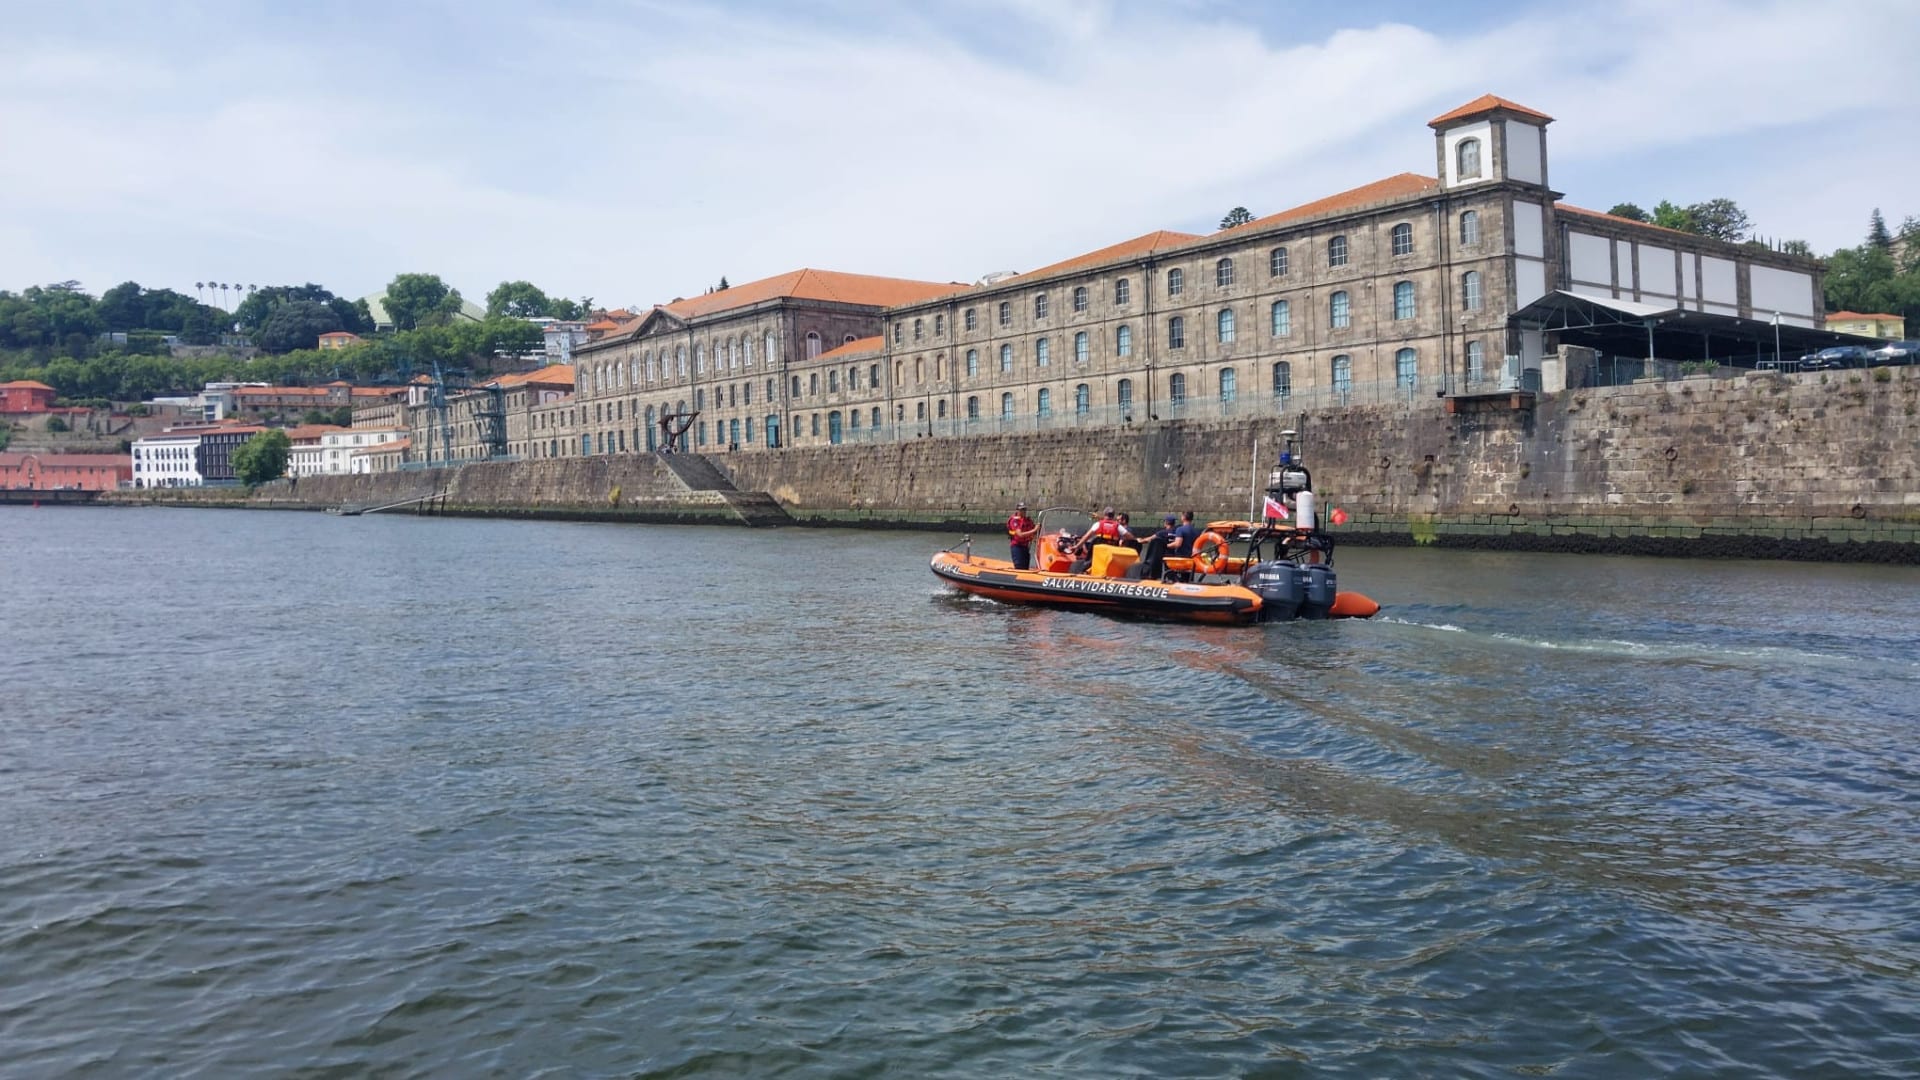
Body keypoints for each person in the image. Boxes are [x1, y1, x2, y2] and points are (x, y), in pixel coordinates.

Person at [1130, 513, 1181, 579]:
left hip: (1166, 555)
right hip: (1175, 555)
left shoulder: (1162, 533)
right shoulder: (1178, 532)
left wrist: (1139, 540)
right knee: (1173, 572)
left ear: (1166, 522)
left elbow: (1150, 539)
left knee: (1168, 572)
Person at [1006, 501, 1038, 570]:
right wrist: (1034, 530)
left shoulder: (1028, 521)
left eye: (1024, 509)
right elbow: (1020, 534)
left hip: (1025, 547)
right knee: (1019, 567)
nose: (1023, 511)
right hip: (1017, 547)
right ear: (1017, 510)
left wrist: (1036, 536)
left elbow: (1034, 532)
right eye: (1022, 510)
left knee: (1026, 567)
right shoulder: (1014, 521)